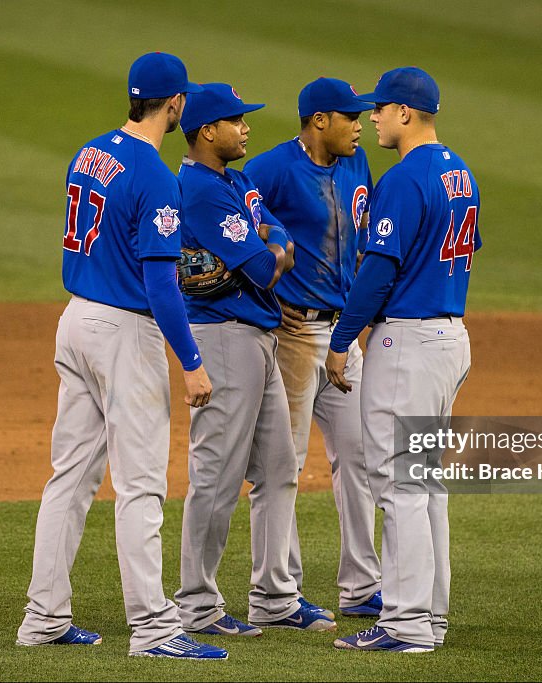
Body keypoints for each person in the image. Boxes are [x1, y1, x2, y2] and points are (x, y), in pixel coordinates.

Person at [16, 52, 227, 661]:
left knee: (70, 478)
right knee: (141, 486)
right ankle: (156, 629)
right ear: (176, 104)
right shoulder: (156, 176)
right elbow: (161, 284)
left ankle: (44, 616)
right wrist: (190, 361)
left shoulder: (90, 152)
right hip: (122, 334)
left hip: (75, 322)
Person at [325, 66, 481, 653]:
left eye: (381, 109)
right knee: (425, 483)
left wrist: (342, 341)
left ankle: (406, 623)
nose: (372, 117)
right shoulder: (459, 172)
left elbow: (379, 269)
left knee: (399, 486)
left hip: (407, 344)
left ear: (406, 114)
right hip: (449, 336)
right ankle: (429, 616)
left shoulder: (404, 178)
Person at [173, 83, 338, 637]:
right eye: (236, 121)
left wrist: (270, 243)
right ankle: (196, 605)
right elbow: (268, 268)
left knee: (277, 469)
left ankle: (274, 596)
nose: (246, 128)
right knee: (216, 476)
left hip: (261, 336)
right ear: (206, 132)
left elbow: (277, 236)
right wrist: (270, 249)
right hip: (223, 337)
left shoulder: (236, 181)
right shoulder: (199, 190)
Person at [242, 77, 383, 619]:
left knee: (361, 456)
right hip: (293, 335)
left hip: (343, 337)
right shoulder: (271, 169)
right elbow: (242, 236)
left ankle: (361, 588)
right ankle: (274, 593)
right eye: (350, 117)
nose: (359, 125)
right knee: (283, 463)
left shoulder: (355, 166)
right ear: (319, 119)